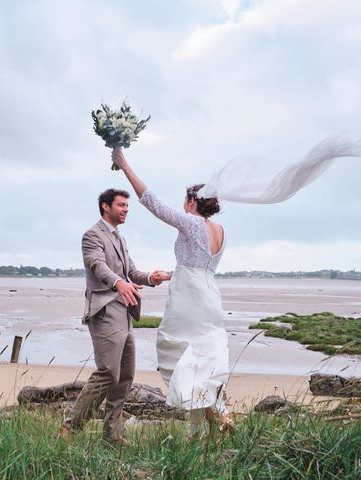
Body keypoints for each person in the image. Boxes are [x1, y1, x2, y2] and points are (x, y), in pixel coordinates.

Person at [110, 149, 236, 436]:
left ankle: (214, 417)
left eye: (185, 200)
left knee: (177, 353)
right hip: (208, 295)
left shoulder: (191, 222)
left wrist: (125, 165)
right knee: (203, 360)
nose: (182, 205)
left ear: (193, 201)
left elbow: (152, 203)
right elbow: (197, 264)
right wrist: (167, 274)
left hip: (188, 298)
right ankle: (209, 426)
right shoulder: (221, 231)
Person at [60, 188, 165, 445]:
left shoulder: (120, 238)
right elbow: (98, 265)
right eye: (121, 205)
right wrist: (119, 283)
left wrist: (151, 278)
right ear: (105, 207)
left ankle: (112, 435)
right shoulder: (92, 235)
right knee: (108, 372)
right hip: (105, 311)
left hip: (125, 312)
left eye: (127, 206)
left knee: (125, 376)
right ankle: (70, 428)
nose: (126, 209)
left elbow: (131, 270)